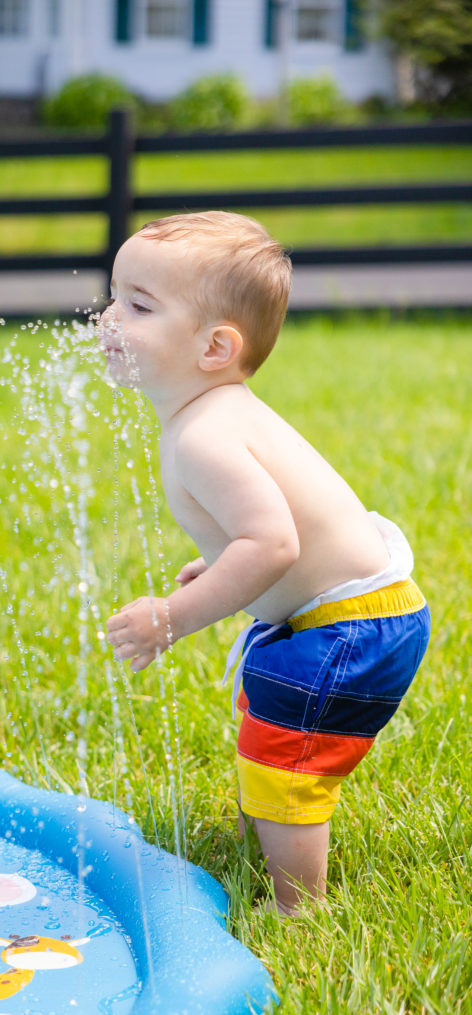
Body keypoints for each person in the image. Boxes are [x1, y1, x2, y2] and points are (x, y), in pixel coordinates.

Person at [101, 211, 430, 917]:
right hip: (344, 614)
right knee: (269, 718)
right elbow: (258, 533)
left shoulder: (205, 435)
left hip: (349, 627)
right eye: (113, 296)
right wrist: (214, 559)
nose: (108, 318)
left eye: (137, 305)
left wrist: (171, 618)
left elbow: (273, 544)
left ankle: (298, 909)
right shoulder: (211, 414)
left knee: (289, 758)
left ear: (216, 346)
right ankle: (268, 819)